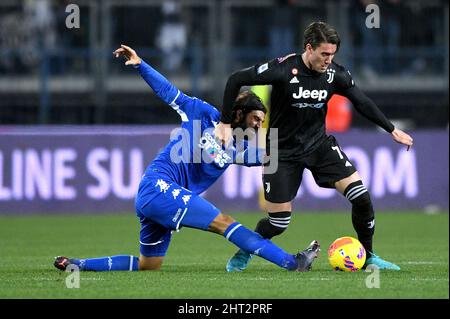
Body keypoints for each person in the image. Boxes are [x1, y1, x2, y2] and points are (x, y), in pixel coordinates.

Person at [54, 44, 320, 272]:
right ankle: (291, 262)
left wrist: (305, 151)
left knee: (150, 265)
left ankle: (78, 264)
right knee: (223, 222)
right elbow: (168, 92)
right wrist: (140, 65)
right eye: (255, 120)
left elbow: (269, 155)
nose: (257, 127)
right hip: (158, 187)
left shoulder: (237, 149)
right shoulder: (202, 114)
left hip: (159, 198)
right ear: (239, 113)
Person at [214, 21, 413, 272]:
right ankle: (246, 250)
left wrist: (391, 129)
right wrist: (224, 123)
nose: (328, 60)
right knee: (278, 223)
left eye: (332, 54)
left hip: (319, 145)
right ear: (309, 48)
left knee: (362, 198)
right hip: (281, 151)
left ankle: (369, 257)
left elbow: (361, 101)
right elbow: (236, 79)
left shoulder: (335, 74)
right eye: (324, 54)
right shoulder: (283, 69)